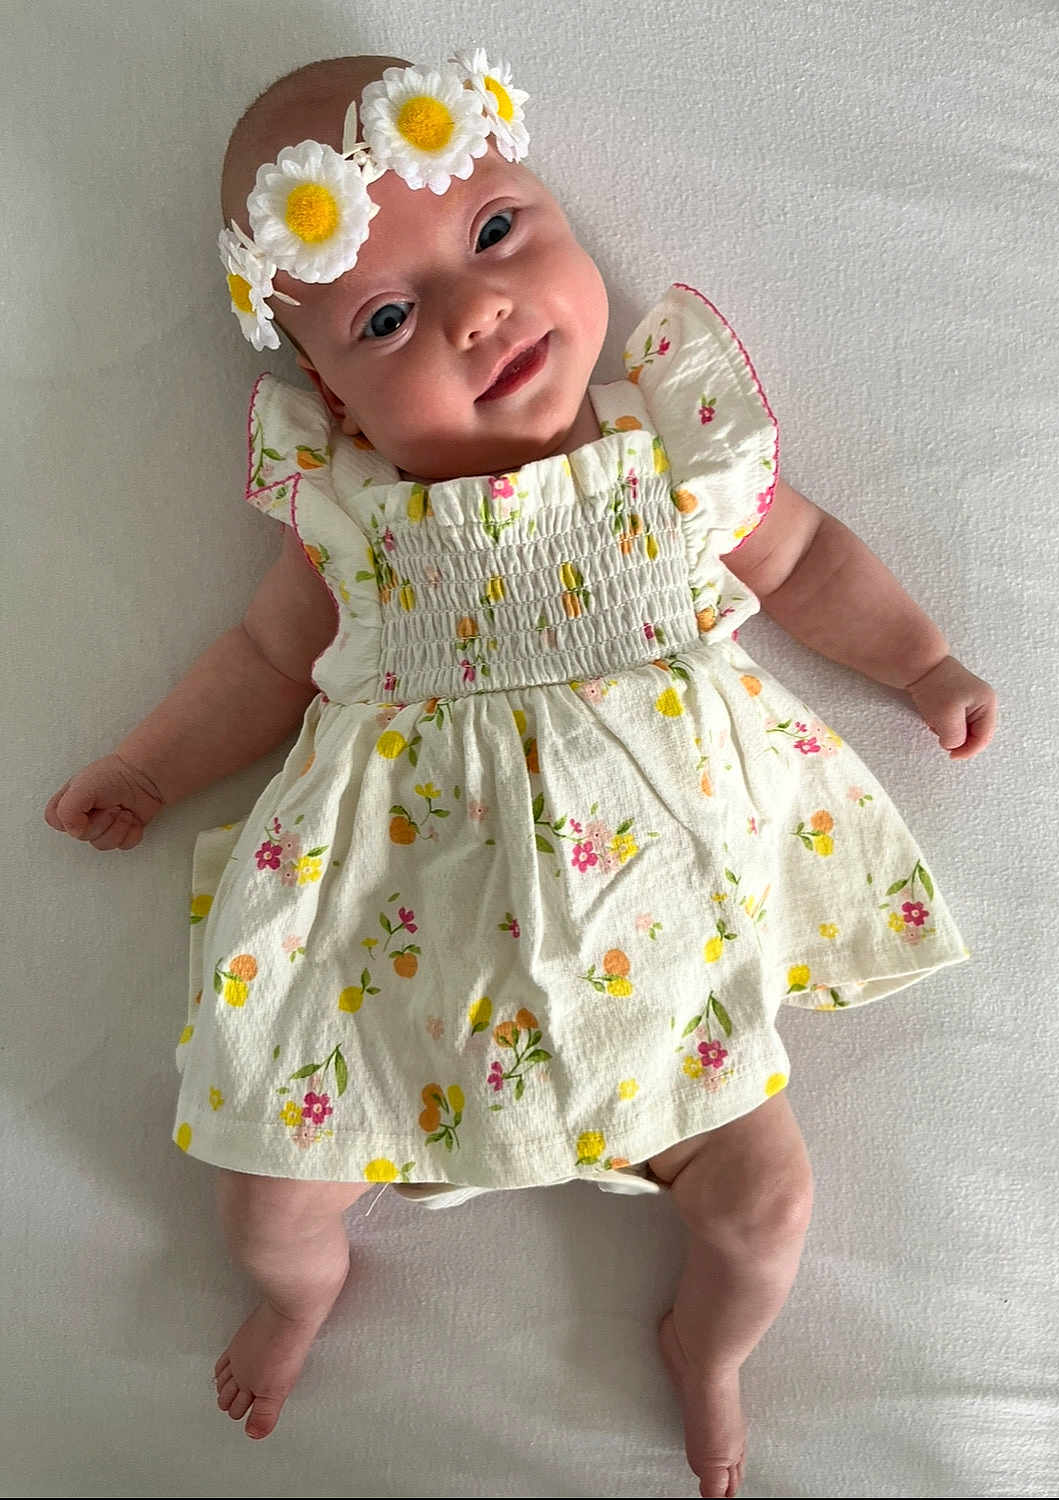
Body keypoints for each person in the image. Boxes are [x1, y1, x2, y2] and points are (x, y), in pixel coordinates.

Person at [42, 48, 998, 1500]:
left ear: (549, 208)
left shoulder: (671, 453)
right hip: (389, 953)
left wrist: (920, 663)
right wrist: (143, 765)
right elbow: (258, 664)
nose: (476, 307)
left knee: (766, 1203)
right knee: (268, 1196)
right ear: (337, 397)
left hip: (656, 938)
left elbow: (803, 560)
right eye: (383, 315)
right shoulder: (348, 517)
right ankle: (304, 1294)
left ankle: (709, 1347)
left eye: (493, 232)